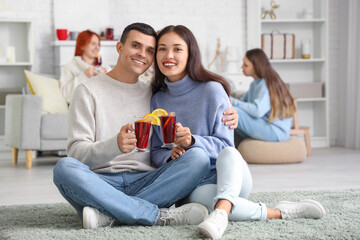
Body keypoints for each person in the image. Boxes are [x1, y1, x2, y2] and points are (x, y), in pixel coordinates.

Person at [53, 22, 238, 230]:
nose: (142, 54)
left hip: (148, 180)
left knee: (198, 158)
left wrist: (231, 108)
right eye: (135, 46)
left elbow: (166, 141)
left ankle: (112, 214)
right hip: (101, 182)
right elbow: (76, 153)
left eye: (150, 50)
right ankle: (153, 214)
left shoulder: (153, 94)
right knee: (64, 168)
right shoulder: (87, 91)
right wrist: (114, 145)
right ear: (119, 47)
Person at [150, 25, 326, 240]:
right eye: (162, 49)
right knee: (202, 207)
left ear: (190, 54)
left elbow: (226, 146)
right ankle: (277, 212)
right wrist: (171, 155)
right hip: (196, 184)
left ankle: (222, 212)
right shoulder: (157, 99)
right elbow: (156, 151)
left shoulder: (212, 90)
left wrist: (193, 141)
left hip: (231, 175)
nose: (169, 56)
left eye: (177, 49)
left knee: (231, 153)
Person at [232, 48, 297, 142]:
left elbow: (258, 110)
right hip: (265, 126)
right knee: (231, 118)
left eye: (245, 65)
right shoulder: (255, 84)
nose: (242, 67)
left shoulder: (265, 84)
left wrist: (232, 101)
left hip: (275, 131)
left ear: (256, 66)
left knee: (233, 113)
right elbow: (242, 102)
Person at [59, 30, 110, 103]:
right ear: (82, 46)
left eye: (98, 44)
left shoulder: (104, 68)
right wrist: (84, 75)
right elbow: (64, 94)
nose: (97, 47)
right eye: (93, 44)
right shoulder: (71, 67)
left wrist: (108, 78)